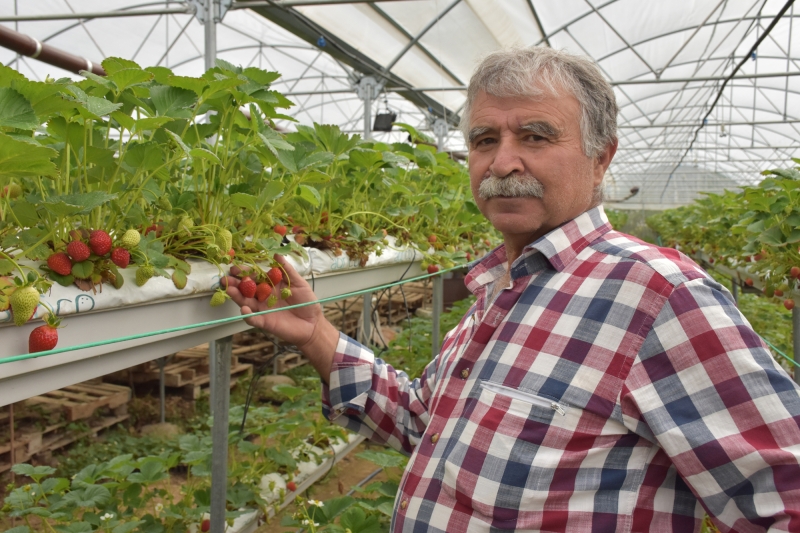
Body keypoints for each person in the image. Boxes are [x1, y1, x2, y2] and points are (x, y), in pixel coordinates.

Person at [226, 47, 800, 532]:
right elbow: (425, 422)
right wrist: (318, 333)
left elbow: (785, 500)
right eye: (483, 140)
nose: (502, 162)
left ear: (601, 158)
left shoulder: (658, 298)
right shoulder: (499, 285)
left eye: (535, 135)